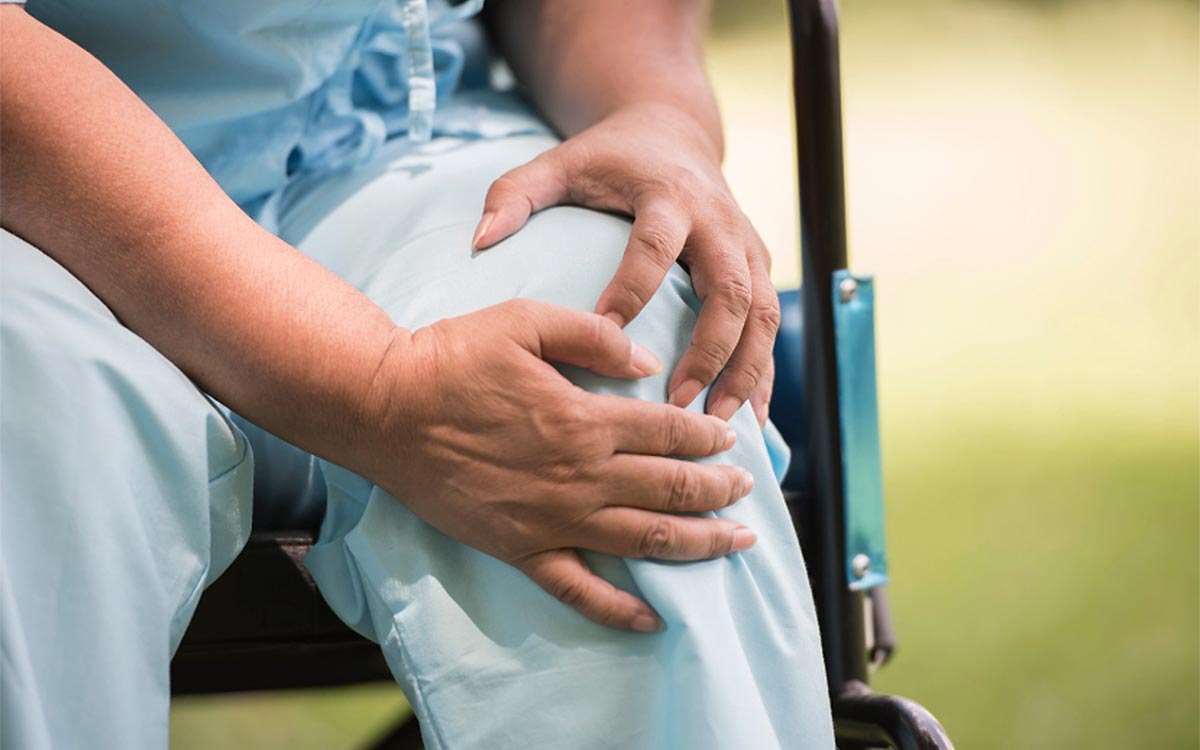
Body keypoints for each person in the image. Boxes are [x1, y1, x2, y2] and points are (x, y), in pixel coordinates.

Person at [0, 0, 835, 747]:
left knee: (614, 353)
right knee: (24, 412)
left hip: (412, 134)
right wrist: (379, 385)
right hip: (48, 189)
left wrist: (657, 108)